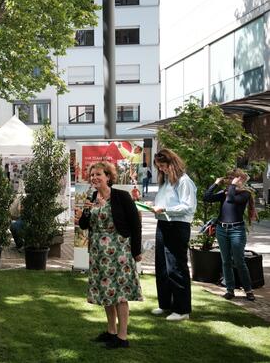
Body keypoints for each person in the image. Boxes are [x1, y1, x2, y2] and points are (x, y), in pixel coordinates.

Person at [75, 161, 143, 349]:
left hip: (119, 252)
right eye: (92, 175)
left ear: (108, 177)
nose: (94, 178)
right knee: (107, 292)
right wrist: (85, 211)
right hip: (99, 253)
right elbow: (84, 225)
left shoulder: (121, 196)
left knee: (120, 294)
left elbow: (135, 224)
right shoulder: (92, 196)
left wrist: (137, 251)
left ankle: (122, 337)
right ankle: (111, 332)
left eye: (98, 174)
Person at [151, 149, 197, 321]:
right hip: (163, 224)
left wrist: (165, 209)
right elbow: (165, 203)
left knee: (176, 266)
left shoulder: (184, 181)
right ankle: (165, 304)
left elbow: (188, 207)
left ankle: (182, 309)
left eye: (163, 165)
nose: (161, 169)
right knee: (162, 266)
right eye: (159, 166)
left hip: (178, 226)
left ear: (172, 163)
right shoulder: (165, 182)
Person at [203, 169, 256, 301]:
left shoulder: (245, 194)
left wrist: (232, 186)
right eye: (230, 178)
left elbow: (232, 200)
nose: (230, 180)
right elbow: (207, 197)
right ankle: (229, 290)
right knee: (226, 261)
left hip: (236, 231)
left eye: (233, 178)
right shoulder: (226, 192)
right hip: (221, 230)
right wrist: (215, 184)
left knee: (239, 261)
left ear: (240, 180)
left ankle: (248, 290)